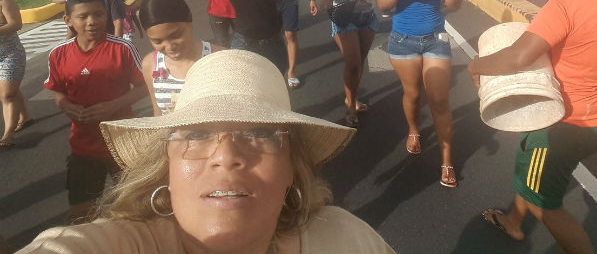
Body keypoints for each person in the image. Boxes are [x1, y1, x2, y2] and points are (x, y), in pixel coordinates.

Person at [18, 50, 396, 254]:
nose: (225, 156)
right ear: (165, 164)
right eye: (197, 134)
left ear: (291, 169)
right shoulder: (120, 245)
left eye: (259, 134)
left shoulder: (345, 239)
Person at [467, 0, 597, 254]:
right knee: (530, 170)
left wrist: (475, 66)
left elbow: (517, 58)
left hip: (562, 126)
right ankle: (513, 221)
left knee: (543, 201)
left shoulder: (565, 7)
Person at [44, 0, 147, 223]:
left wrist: (114, 106)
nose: (92, 21)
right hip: (83, 147)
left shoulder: (122, 48)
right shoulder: (58, 54)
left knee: (133, 209)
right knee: (81, 214)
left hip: (121, 143)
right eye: (83, 16)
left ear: (107, 15)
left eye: (98, 14)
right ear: (68, 20)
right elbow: (57, 90)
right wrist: (66, 106)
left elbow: (145, 86)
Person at [376, 0, 463, 188]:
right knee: (413, 94)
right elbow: (381, 4)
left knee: (439, 101)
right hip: (403, 41)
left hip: (436, 39)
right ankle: (414, 129)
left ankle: (446, 160)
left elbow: (453, 4)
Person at [320, 0, 384, 127]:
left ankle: (353, 98)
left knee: (360, 61)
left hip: (367, 16)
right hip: (344, 16)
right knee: (353, 62)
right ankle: (349, 107)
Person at [139, 0, 222, 116]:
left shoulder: (219, 59)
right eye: (157, 41)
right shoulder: (150, 65)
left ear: (190, 21)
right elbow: (158, 113)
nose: (169, 46)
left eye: (176, 35)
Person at [0, 0, 31, 149]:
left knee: (7, 94)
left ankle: (8, 134)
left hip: (10, 54)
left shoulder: (4, 2)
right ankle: (25, 116)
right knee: (11, 89)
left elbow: (16, 24)